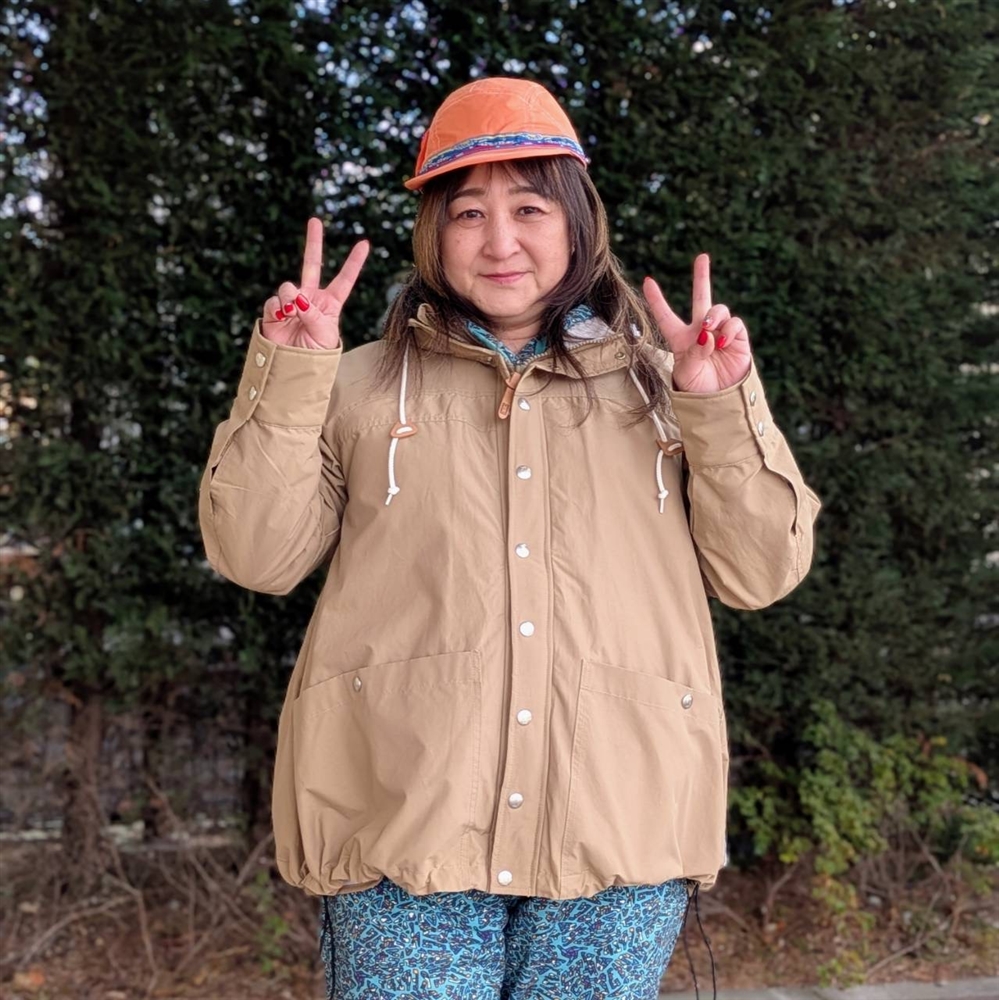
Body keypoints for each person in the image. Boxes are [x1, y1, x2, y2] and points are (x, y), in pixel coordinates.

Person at [199, 77, 821, 1000]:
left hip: (618, 821)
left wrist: (719, 406)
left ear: (576, 223)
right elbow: (255, 555)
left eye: (529, 208)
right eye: (468, 213)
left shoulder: (670, 388)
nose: (499, 242)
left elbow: (761, 571)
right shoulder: (350, 386)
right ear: (433, 233)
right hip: (401, 819)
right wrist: (289, 378)